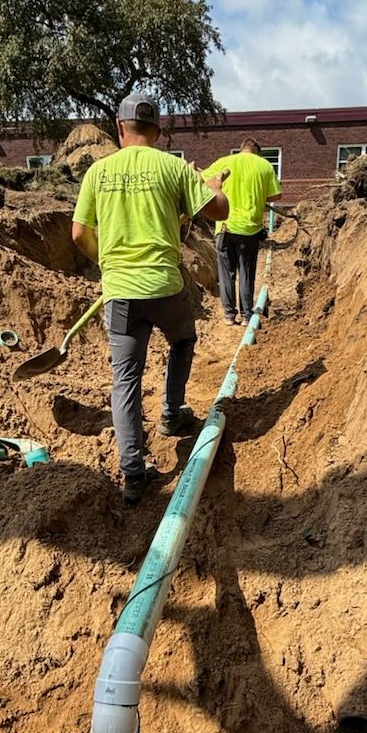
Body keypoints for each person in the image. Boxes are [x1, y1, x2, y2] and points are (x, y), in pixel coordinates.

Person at [72, 93, 229, 504]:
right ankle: (171, 413)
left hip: (119, 293)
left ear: (120, 129)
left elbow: (78, 233)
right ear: (158, 132)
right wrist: (211, 187)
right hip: (163, 285)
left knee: (124, 379)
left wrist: (105, 262)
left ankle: (133, 474)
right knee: (182, 340)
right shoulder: (174, 168)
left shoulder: (97, 172)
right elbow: (221, 211)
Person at [202, 138, 281, 325]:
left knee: (226, 272)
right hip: (250, 229)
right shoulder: (265, 166)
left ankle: (229, 315)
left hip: (224, 226)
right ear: (257, 152)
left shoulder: (224, 162)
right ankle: (246, 315)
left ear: (241, 149)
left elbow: (205, 181)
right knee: (246, 271)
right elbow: (276, 195)